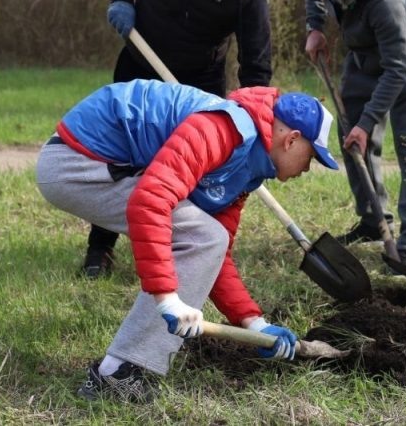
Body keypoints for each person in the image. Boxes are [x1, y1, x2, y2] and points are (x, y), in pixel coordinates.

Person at [36, 79, 340, 403]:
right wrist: (167, 298)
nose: (308, 168)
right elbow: (149, 202)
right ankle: (116, 373)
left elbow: (214, 251)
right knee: (202, 234)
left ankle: (123, 365)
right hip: (77, 161)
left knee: (209, 237)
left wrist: (254, 323)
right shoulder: (222, 130)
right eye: (312, 157)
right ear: (292, 140)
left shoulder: (245, 165)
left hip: (108, 164)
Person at [83, 0, 272, 279]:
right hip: (138, 70)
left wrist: (252, 123)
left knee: (190, 172)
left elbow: (256, 66)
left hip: (195, 88)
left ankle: (185, 249)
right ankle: (99, 249)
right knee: (122, 158)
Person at [303, 0, 406, 273]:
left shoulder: (386, 0)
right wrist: (315, 27)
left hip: (405, 65)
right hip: (361, 57)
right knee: (352, 143)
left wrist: (367, 122)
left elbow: (397, 70)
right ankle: (374, 221)